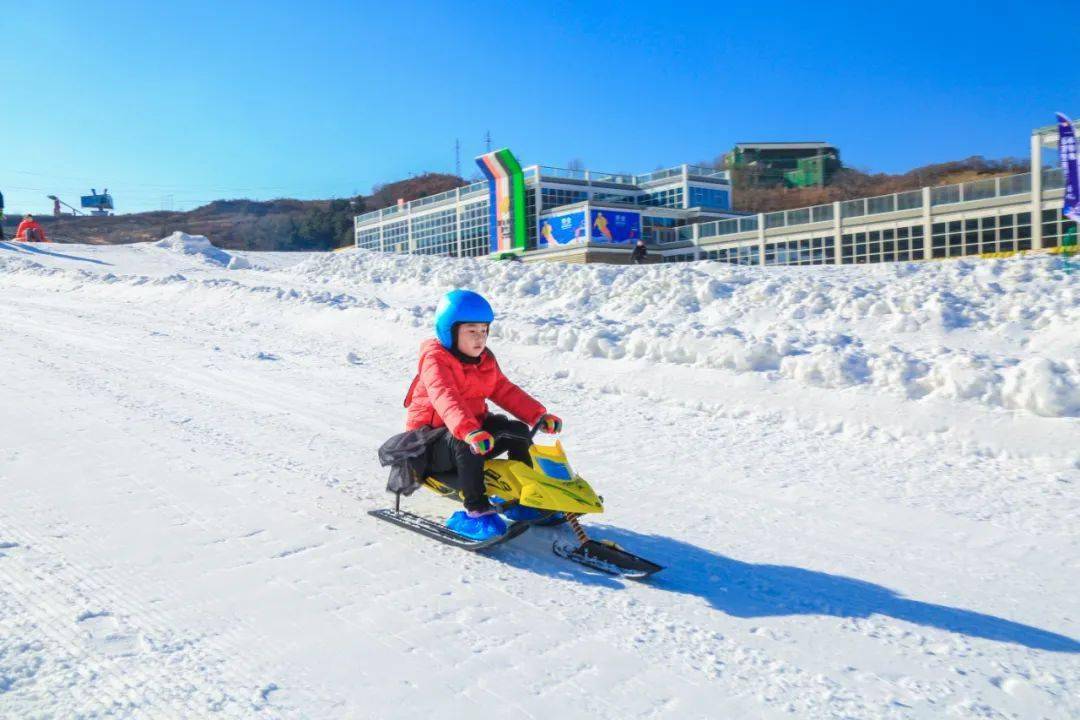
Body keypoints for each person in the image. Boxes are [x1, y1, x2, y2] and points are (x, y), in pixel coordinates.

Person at [403, 289, 562, 540]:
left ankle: (524, 498)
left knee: (518, 432)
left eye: (484, 330)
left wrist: (537, 415)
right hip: (430, 443)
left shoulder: (484, 359)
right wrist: (469, 431)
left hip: (473, 432)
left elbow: (504, 389)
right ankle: (475, 510)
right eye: (472, 331)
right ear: (450, 332)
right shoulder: (435, 360)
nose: (480, 338)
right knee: (465, 445)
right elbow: (445, 396)